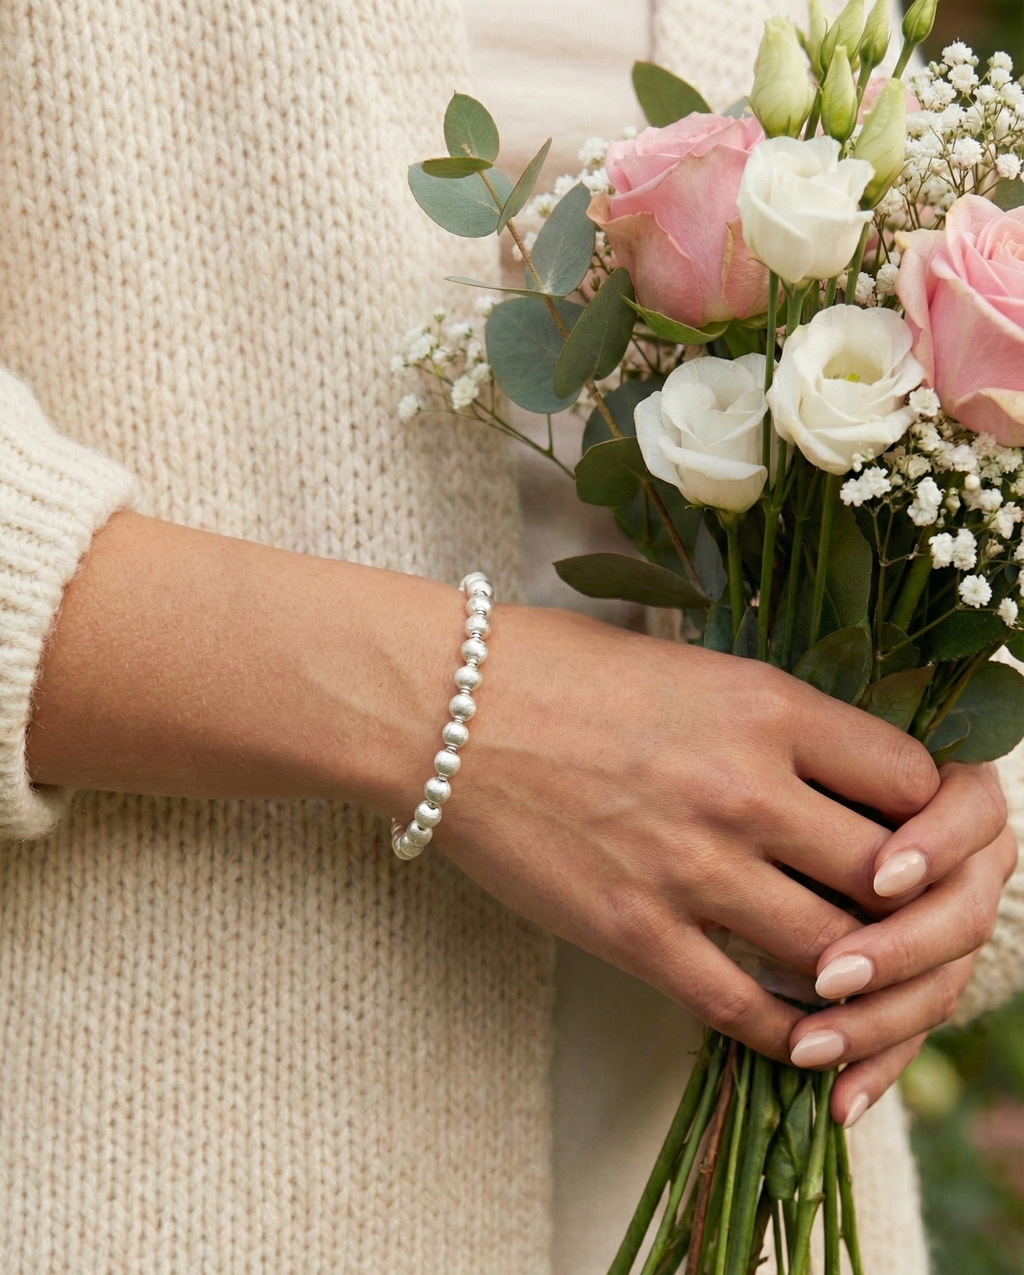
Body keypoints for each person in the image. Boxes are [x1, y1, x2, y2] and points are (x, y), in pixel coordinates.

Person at [0, 3, 1019, 1273]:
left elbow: (929, 463)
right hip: (158, 1158)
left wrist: (940, 840)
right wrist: (462, 713)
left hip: (746, 1183)